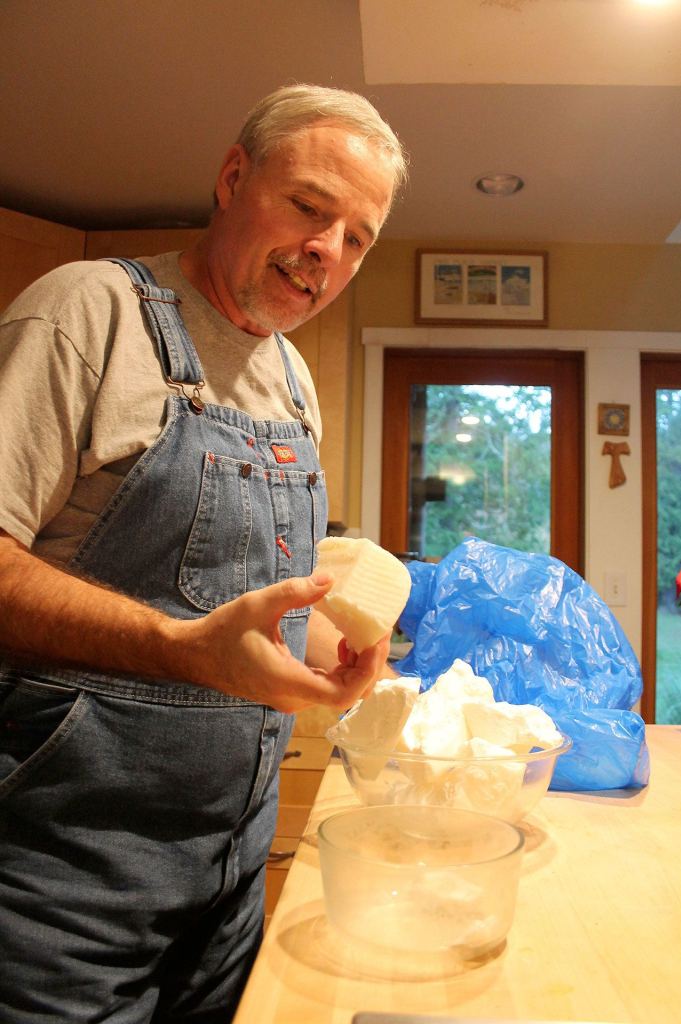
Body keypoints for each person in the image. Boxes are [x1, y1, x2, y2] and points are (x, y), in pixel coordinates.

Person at [0, 84, 408, 1023]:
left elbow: (248, 601)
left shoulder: (292, 377)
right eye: (308, 206)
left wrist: (347, 662)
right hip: (59, 884)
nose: (328, 249)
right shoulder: (86, 310)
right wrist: (179, 649)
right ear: (232, 178)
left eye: (357, 237)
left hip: (230, 883)